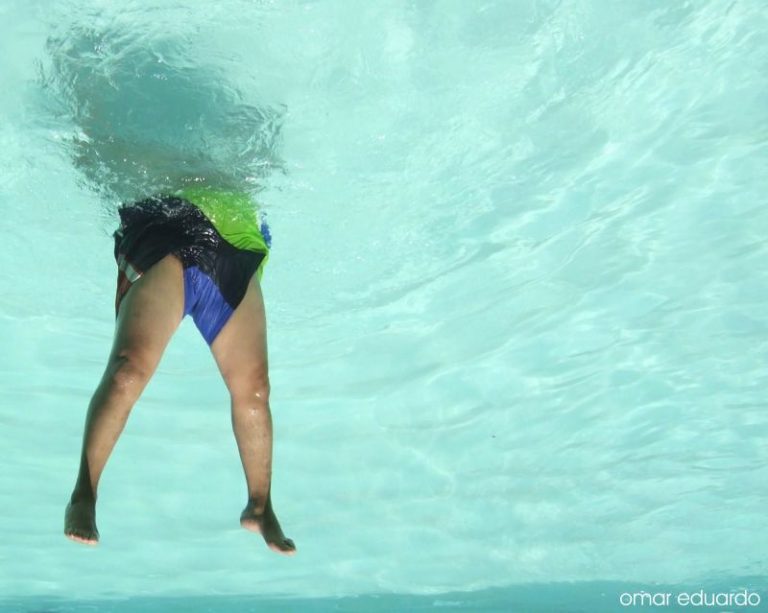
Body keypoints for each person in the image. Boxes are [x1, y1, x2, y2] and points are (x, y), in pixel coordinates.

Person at [63, 185, 296, 555]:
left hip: (234, 241)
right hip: (163, 225)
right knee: (129, 369)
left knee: (255, 390)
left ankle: (259, 505)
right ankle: (84, 493)